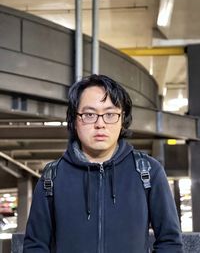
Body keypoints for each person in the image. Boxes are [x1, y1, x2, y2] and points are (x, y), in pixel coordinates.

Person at [23, 74, 183, 253]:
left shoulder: (148, 172)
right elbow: (34, 246)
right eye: (89, 114)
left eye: (110, 114)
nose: (100, 124)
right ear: (74, 120)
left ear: (122, 120)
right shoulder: (52, 176)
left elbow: (170, 243)